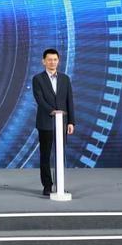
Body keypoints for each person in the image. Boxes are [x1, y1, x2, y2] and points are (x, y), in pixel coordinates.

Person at [31, 48, 75, 196]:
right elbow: (39, 99)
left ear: (58, 61)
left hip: (62, 123)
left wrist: (71, 122)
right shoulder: (38, 79)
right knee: (45, 156)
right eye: (49, 60)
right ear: (43, 61)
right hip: (45, 123)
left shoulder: (65, 79)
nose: (52, 62)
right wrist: (53, 111)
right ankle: (47, 185)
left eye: (55, 60)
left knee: (60, 155)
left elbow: (69, 101)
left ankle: (60, 185)